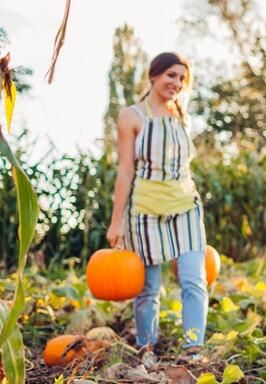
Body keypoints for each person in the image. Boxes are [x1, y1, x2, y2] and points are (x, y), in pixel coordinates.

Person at [106, 52, 208, 357]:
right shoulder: (132, 116)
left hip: (186, 207)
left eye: (181, 78)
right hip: (146, 210)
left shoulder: (182, 116)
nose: (176, 83)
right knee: (148, 288)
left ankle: (194, 348)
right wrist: (116, 220)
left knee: (194, 280)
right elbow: (126, 170)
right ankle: (146, 348)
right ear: (154, 75)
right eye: (171, 75)